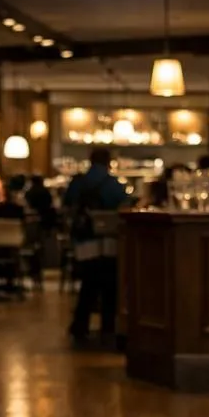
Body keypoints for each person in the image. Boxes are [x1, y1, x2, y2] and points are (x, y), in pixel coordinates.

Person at [64, 147, 130, 344]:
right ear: (109, 162)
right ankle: (108, 327)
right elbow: (124, 206)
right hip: (109, 240)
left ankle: (80, 326)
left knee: (88, 285)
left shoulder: (79, 182)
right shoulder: (113, 184)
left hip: (85, 240)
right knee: (110, 286)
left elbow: (67, 205)